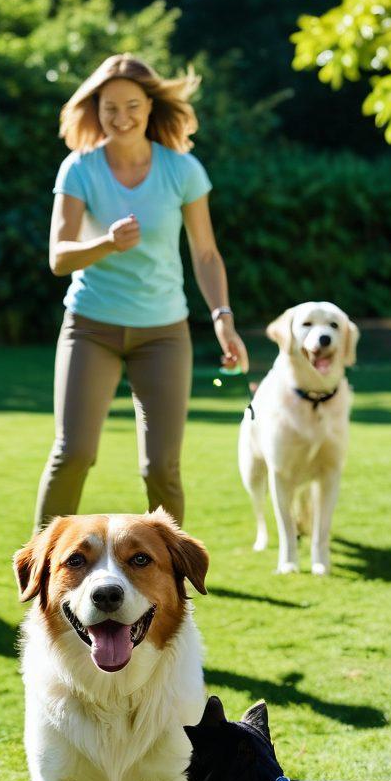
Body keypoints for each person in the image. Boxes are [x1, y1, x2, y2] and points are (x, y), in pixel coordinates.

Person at [34, 53, 249, 530]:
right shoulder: (79, 169)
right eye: (110, 107)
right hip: (90, 327)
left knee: (162, 469)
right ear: (96, 109)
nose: (121, 117)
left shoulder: (182, 170)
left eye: (132, 105)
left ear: (150, 107)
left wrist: (222, 317)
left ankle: (175, 586)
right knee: (73, 453)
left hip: (164, 333)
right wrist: (106, 243)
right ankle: (40, 577)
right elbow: (58, 257)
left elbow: (207, 254)